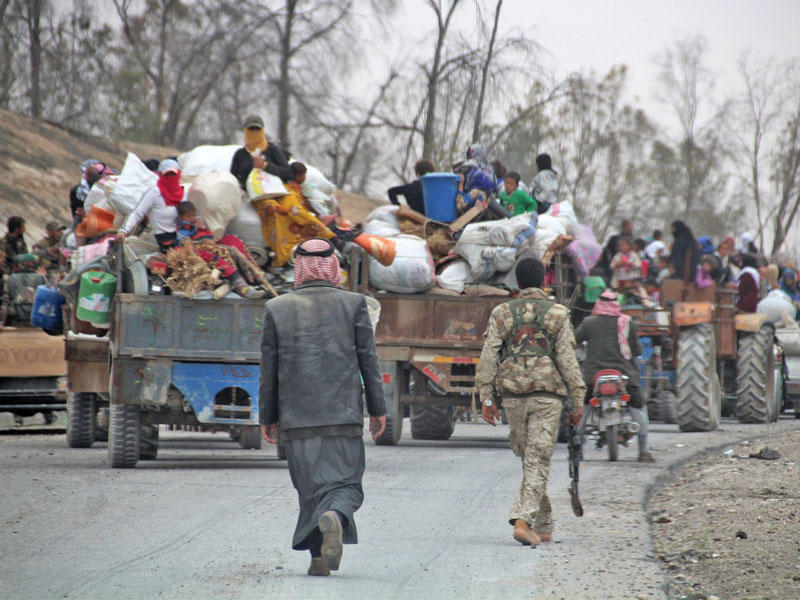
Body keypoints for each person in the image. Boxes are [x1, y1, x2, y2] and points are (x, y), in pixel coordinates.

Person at [259, 238, 386, 576]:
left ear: (299, 267)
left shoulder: (276, 307)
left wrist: (267, 417)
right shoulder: (355, 304)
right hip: (343, 416)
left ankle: (318, 560)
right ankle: (336, 517)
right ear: (333, 266)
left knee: (310, 492)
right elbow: (368, 362)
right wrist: (378, 409)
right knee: (346, 486)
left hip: (297, 420)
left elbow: (269, 370)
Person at [475, 256, 585, 547]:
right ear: (544, 281)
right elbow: (568, 360)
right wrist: (577, 400)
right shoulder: (558, 314)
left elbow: (488, 355)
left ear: (518, 283)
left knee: (533, 458)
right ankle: (526, 521)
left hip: (513, 396)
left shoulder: (501, 313)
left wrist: (486, 398)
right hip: (547, 396)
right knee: (535, 458)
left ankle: (540, 523)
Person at [575, 290, 655, 463]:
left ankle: (577, 451)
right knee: (638, 407)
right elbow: (637, 351)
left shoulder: (589, 323)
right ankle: (643, 452)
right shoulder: (627, 323)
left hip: (593, 377)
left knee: (584, 408)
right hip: (625, 377)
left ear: (598, 304)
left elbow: (574, 340)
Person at [174, 202, 266, 299]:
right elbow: (184, 244)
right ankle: (241, 287)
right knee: (219, 257)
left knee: (234, 243)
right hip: (196, 249)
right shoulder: (183, 228)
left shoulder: (196, 223)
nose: (192, 218)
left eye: (193, 215)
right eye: (189, 216)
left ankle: (257, 275)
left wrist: (203, 228)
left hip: (208, 244)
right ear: (181, 217)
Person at [117, 159, 186, 253]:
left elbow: (187, 214)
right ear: (161, 175)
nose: (170, 178)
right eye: (167, 175)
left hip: (179, 237)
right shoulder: (154, 192)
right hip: (159, 237)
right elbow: (137, 213)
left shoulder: (182, 194)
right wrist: (123, 230)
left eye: (173, 175)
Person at [230, 115, 293, 190]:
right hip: (248, 195)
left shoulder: (272, 149)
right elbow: (232, 180)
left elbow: (288, 173)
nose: (254, 132)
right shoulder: (240, 154)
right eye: (251, 129)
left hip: (273, 193)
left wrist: (265, 165)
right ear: (245, 131)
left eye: (257, 129)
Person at [0, 254, 46, 330]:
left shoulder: (8, 279)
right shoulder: (41, 278)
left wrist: (2, 322)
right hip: (36, 320)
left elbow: (5, 303)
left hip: (15, 320)